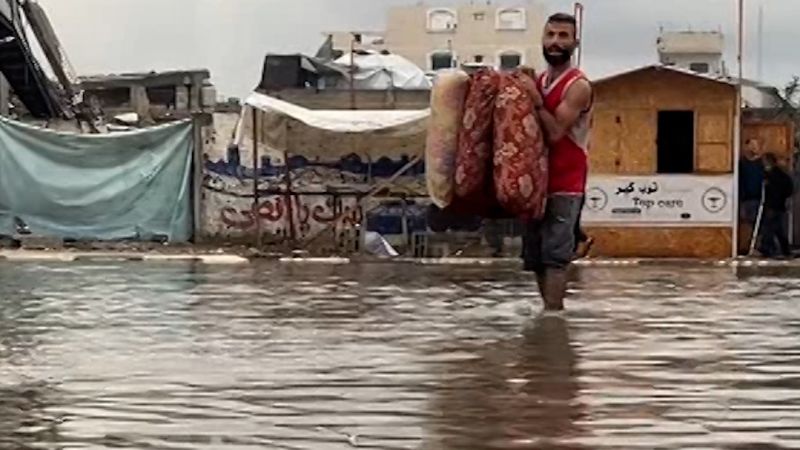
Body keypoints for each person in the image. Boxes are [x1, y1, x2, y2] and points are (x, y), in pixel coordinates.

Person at [520, 12, 593, 312]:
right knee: (536, 257)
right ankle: (546, 321)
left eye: (563, 36)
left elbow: (554, 133)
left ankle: (554, 320)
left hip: (566, 182)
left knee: (555, 259)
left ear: (575, 42)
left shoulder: (578, 86)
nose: (555, 42)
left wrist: (535, 99)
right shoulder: (538, 81)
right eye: (550, 35)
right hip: (536, 182)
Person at [757, 153, 793, 258]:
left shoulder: (771, 176)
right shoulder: (781, 175)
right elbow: (789, 189)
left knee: (768, 228)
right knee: (777, 229)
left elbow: (774, 190)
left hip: (772, 205)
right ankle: (784, 249)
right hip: (779, 205)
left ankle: (767, 249)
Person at [739, 139, 764, 253]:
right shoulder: (742, 163)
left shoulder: (762, 163)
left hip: (758, 198)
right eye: (752, 145)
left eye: (756, 145)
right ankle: (744, 246)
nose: (754, 148)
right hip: (744, 199)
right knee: (745, 222)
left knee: (758, 224)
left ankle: (757, 246)